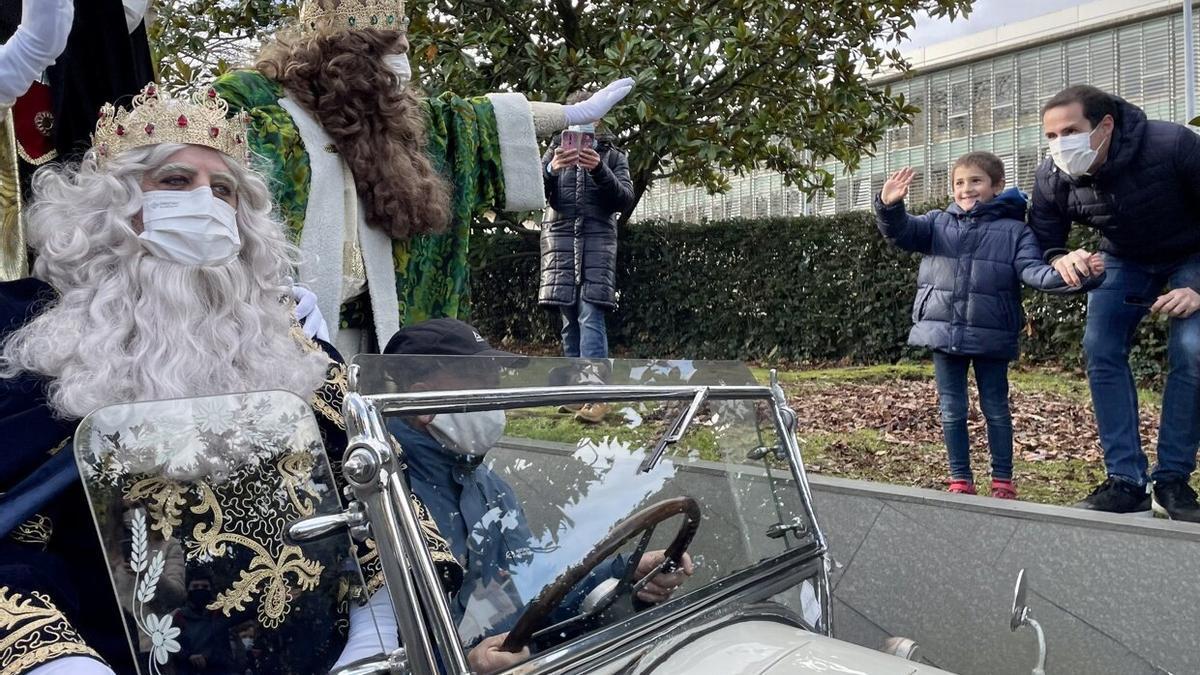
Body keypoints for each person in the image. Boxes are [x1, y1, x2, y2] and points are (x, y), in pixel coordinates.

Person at [0, 83, 460, 674]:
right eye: (174, 182)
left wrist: (374, 639)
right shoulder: (32, 346)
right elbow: (15, 543)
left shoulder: (298, 351)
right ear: (108, 208)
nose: (206, 203)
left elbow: (386, 508)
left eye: (224, 190)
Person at [214, 0, 635, 357]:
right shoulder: (264, 105)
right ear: (351, 53)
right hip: (289, 326)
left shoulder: (394, 122)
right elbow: (205, 137)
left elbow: (471, 119)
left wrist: (571, 115)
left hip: (373, 328)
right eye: (394, 49)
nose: (404, 61)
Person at [374, 318, 693, 673]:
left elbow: (533, 582)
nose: (495, 395)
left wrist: (629, 570)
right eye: (480, 380)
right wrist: (464, 665)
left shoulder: (485, 483)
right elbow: (378, 651)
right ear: (420, 399)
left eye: (495, 380)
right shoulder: (383, 500)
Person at [876, 152, 1103, 499]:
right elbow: (902, 233)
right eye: (959, 183)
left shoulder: (1015, 231)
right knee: (952, 409)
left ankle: (1002, 480)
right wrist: (888, 206)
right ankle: (960, 478)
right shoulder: (937, 223)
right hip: (943, 333)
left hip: (992, 333)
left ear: (997, 186)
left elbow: (1034, 271)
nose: (967, 189)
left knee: (995, 408)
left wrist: (1075, 275)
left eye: (976, 181)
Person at [1030, 85, 1200, 520]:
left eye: (1070, 131)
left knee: (1193, 349)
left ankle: (1173, 482)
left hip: (1192, 255)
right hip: (1123, 256)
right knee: (1100, 347)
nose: (1059, 144)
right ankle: (1126, 481)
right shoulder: (1053, 176)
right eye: (1050, 136)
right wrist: (1062, 257)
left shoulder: (1174, 145)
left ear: (1105, 126)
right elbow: (1045, 238)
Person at [538, 95, 635, 424]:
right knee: (569, 323)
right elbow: (534, 191)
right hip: (560, 244)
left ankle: (597, 395)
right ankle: (578, 392)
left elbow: (623, 198)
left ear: (597, 121)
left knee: (591, 316)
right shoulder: (554, 151)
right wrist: (552, 169)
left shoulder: (613, 156)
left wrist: (599, 170)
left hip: (596, 244)